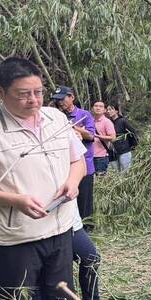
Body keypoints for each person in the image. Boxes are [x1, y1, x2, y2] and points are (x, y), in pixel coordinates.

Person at [0, 57, 103, 300]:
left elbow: (77, 160)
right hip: (15, 236)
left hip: (60, 228)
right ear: (2, 94)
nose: (33, 100)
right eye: (23, 94)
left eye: (38, 92)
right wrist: (14, 199)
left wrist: (72, 183)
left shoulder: (58, 120)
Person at [52, 86, 96, 229]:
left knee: (85, 198)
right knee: (69, 197)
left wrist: (74, 128)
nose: (60, 103)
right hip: (65, 165)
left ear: (72, 97)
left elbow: (90, 136)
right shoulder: (57, 116)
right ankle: (72, 226)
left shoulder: (84, 115)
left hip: (85, 165)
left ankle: (87, 227)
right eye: (57, 101)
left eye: (62, 99)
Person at [105, 104, 137, 172]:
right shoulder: (107, 122)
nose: (108, 111)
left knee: (126, 172)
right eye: (107, 110)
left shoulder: (122, 121)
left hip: (124, 150)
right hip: (112, 153)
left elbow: (132, 132)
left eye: (110, 109)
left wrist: (132, 145)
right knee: (116, 174)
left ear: (116, 111)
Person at [91, 100, 116, 176]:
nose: (98, 108)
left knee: (100, 180)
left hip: (101, 157)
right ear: (92, 108)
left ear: (104, 110)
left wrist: (97, 136)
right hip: (89, 156)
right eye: (96, 106)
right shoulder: (90, 121)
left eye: (101, 106)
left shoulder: (107, 122)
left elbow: (113, 138)